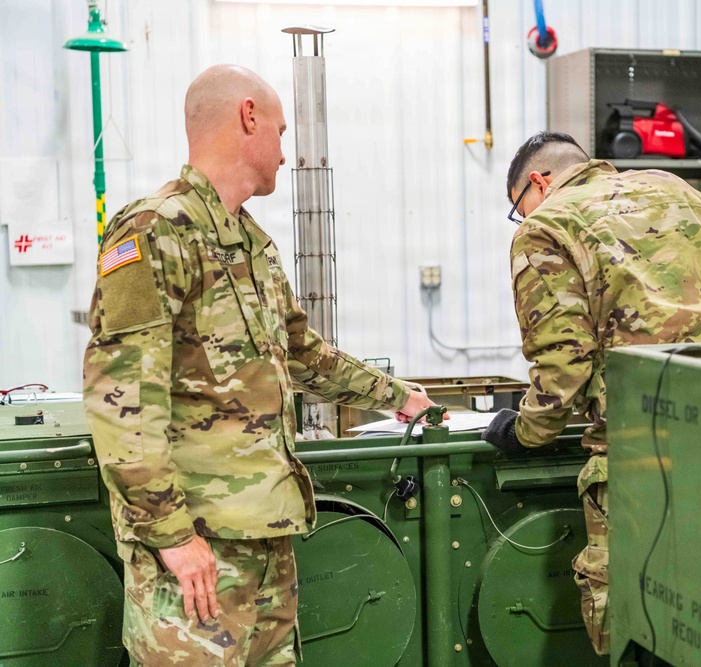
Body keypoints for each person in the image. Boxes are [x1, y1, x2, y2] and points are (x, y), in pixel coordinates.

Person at [82, 64, 439, 666]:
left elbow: (301, 352)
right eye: (280, 131)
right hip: (196, 551)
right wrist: (171, 535)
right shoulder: (154, 231)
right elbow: (121, 401)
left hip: (267, 541)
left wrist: (397, 396)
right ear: (248, 117)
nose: (283, 153)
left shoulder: (251, 244)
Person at [482, 131, 701, 655]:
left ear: (539, 182)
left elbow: (563, 364)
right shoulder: (679, 191)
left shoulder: (546, 226)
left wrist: (524, 431)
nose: (522, 217)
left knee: (634, 619)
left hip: (640, 454)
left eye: (519, 206)